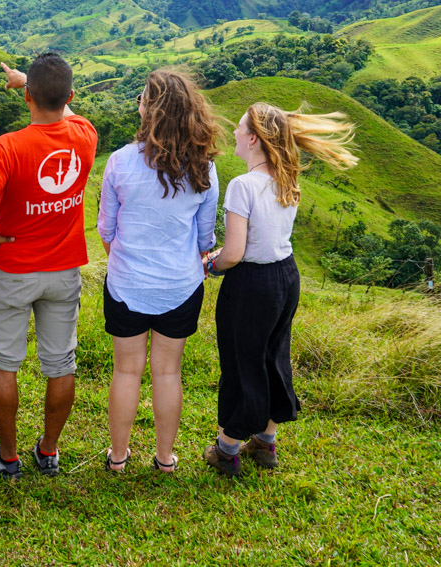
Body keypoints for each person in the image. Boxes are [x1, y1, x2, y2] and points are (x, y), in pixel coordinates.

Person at [0, 53, 98, 479]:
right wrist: (30, 84)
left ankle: (8, 457)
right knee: (61, 364)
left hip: (14, 270)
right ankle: (49, 450)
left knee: (5, 363)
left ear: (27, 98)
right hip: (63, 271)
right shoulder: (85, 135)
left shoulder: (8, 147)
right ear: (70, 96)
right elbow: (63, 112)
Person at [203, 102, 357, 477]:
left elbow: (235, 253)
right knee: (273, 356)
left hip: (251, 284)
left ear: (253, 139)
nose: (235, 132)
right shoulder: (286, 178)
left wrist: (209, 265)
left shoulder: (242, 186)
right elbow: (262, 239)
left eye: (241, 128)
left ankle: (227, 449)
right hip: (285, 277)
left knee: (241, 363)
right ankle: (265, 442)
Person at [97, 69, 220, 474]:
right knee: (168, 373)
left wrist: (126, 261)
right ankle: (165, 459)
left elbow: (106, 231)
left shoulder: (120, 161)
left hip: (126, 284)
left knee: (125, 371)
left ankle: (118, 457)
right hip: (180, 286)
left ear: (149, 110)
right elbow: (204, 240)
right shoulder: (204, 167)